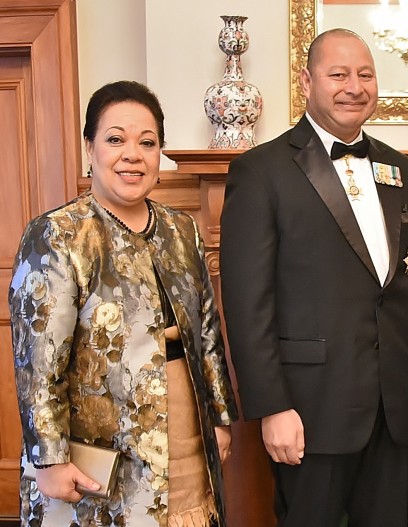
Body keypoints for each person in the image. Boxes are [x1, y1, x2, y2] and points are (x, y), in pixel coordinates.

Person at [219, 28, 408, 527]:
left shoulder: (405, 172)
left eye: (365, 74)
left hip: (395, 407)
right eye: (338, 74)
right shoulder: (261, 172)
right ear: (307, 81)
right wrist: (271, 407)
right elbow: (246, 305)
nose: (355, 86)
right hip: (308, 409)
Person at [9, 80, 239, 526]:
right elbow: (37, 362)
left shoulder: (181, 229)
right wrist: (48, 458)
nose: (132, 154)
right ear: (90, 148)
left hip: (186, 428)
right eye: (115, 139)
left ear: (159, 155)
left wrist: (220, 418)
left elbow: (208, 334)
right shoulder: (57, 234)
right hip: (97, 447)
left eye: (147, 143)